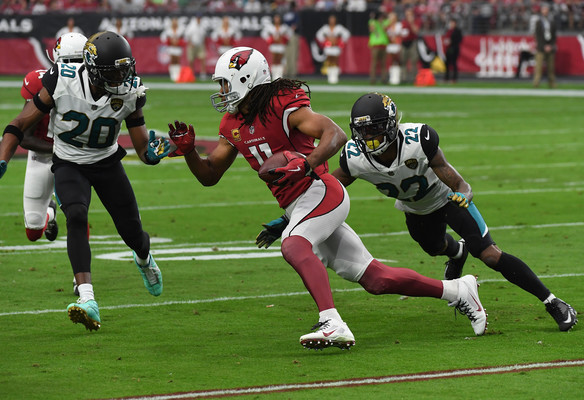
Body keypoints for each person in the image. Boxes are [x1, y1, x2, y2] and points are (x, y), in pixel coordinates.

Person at [167, 47, 487, 350]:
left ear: (245, 80)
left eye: (225, 83)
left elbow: (335, 134)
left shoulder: (282, 105)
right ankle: (458, 291)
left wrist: (306, 163)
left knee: (293, 244)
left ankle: (331, 322)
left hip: (319, 190)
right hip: (298, 205)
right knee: (374, 278)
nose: (222, 91)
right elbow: (209, 176)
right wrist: (189, 152)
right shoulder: (232, 124)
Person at [257, 92, 577, 333]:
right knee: (435, 248)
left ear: (393, 125)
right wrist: (289, 219)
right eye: (363, 132)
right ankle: (457, 251)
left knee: (490, 254)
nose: (368, 139)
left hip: (447, 200)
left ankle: (553, 302)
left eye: (376, 130)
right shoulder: (355, 157)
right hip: (415, 210)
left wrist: (464, 193)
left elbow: (450, 173)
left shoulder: (417, 139)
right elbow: (328, 189)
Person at [0, 31, 171, 332]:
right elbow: (20, 123)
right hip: (69, 162)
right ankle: (88, 299)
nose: (123, 76)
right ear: (94, 69)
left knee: (132, 232)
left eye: (125, 68)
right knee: (75, 215)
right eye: (115, 71)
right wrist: (3, 159)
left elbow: (141, 149)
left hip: (107, 162)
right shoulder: (62, 79)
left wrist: (155, 154)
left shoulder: (131, 90)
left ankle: (144, 258)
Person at [17, 32, 88, 247]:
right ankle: (49, 213)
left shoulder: (95, 86)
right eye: (69, 62)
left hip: (74, 160)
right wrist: (61, 148)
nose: (74, 68)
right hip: (43, 155)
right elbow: (25, 137)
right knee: (33, 230)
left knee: (77, 214)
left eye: (78, 62)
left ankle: (83, 278)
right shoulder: (40, 83)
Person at [315, 14, 350, 84]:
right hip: (328, 47)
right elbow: (318, 34)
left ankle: (335, 76)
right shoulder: (325, 28)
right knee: (329, 61)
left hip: (336, 47)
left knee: (335, 61)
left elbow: (347, 34)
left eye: (333, 19)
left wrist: (340, 41)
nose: (332, 21)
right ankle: (329, 76)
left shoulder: (339, 28)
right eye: (331, 19)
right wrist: (325, 40)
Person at [533, 3, 557, 88]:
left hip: (550, 47)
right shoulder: (538, 22)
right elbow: (538, 36)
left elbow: (554, 36)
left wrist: (550, 45)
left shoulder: (552, 22)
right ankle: (536, 83)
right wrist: (543, 46)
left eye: (546, 9)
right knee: (538, 67)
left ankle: (552, 83)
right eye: (543, 9)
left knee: (551, 68)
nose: (545, 11)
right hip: (541, 47)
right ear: (541, 10)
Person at [261, 14, 291, 80]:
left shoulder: (284, 27)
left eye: (278, 18)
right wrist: (270, 39)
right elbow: (264, 34)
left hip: (280, 46)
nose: (277, 20)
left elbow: (289, 35)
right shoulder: (270, 27)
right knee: (274, 60)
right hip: (273, 46)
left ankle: (279, 76)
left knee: (280, 61)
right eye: (275, 18)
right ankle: (274, 76)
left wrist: (283, 39)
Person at [160, 18, 186, 82]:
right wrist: (170, 41)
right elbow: (162, 37)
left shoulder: (181, 29)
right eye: (173, 22)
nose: (174, 23)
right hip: (171, 47)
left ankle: (177, 75)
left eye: (175, 22)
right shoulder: (168, 30)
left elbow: (185, 38)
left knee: (177, 61)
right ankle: (172, 75)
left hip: (178, 47)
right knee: (172, 61)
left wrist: (178, 41)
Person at [400, 8, 421, 84]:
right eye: (407, 14)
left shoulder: (416, 21)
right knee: (403, 61)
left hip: (412, 42)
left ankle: (414, 78)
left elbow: (416, 31)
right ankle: (403, 78)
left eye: (409, 14)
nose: (408, 16)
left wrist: (411, 23)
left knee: (413, 62)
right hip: (404, 43)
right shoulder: (403, 22)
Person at [184, 13, 208, 80]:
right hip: (192, 45)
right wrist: (190, 43)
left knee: (203, 59)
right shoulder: (191, 26)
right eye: (198, 18)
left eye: (200, 18)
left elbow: (204, 36)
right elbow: (187, 36)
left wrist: (204, 44)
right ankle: (191, 74)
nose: (199, 19)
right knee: (191, 61)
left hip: (200, 45)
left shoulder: (202, 26)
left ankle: (203, 74)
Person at [368, 11, 389, 85]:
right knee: (374, 63)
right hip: (375, 45)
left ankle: (384, 79)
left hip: (383, 44)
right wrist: (374, 19)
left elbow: (388, 22)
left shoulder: (384, 22)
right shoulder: (373, 22)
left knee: (383, 63)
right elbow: (371, 29)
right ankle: (372, 79)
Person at [282, 0, 300, 79]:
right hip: (288, 34)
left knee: (290, 54)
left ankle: (291, 72)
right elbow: (295, 25)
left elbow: (295, 25)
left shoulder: (288, 14)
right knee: (289, 54)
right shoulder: (293, 14)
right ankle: (289, 72)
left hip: (289, 34)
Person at [443, 18, 462, 83]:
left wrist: (451, 41)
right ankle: (446, 78)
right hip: (448, 48)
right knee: (447, 63)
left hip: (454, 48)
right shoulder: (448, 30)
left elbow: (459, 40)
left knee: (454, 63)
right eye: (451, 23)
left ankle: (454, 78)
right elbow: (445, 37)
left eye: (452, 23)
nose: (451, 24)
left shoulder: (457, 31)